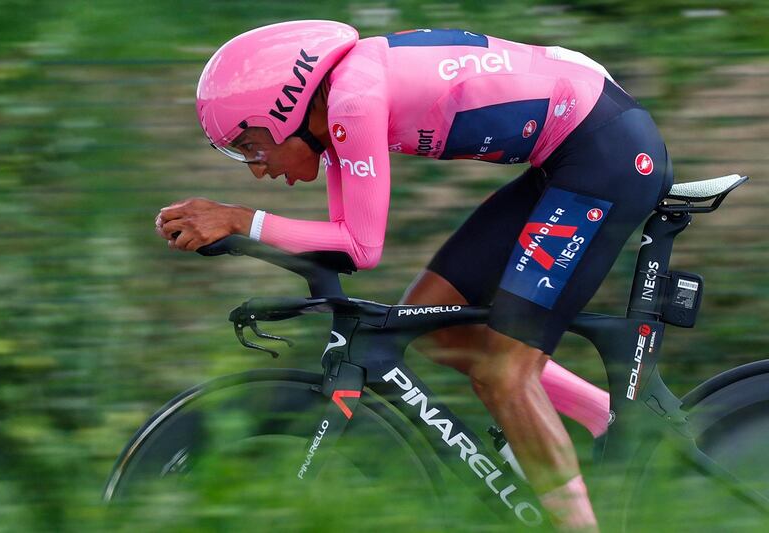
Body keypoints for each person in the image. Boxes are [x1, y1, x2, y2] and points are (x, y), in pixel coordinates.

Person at [155, 20, 673, 531]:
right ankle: (610, 419)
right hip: (572, 149)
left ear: (286, 106)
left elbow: (361, 245)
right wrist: (243, 234)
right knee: (435, 321)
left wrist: (241, 220)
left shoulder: (352, 102)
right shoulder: (338, 107)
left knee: (503, 373)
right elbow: (345, 245)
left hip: (605, 155)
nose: (257, 168)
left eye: (251, 145)